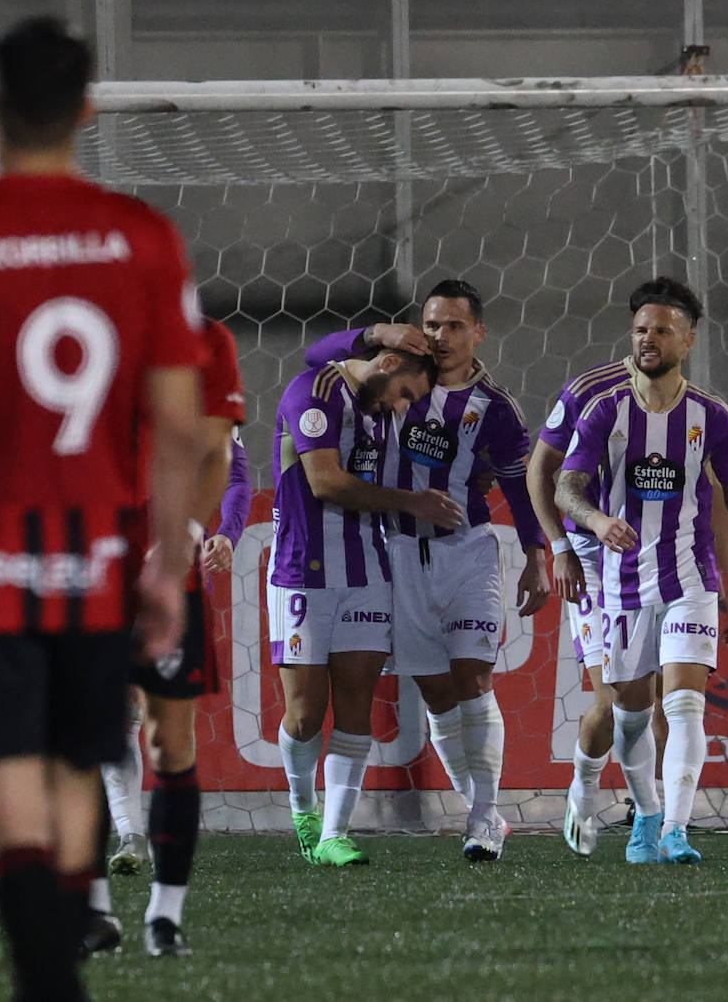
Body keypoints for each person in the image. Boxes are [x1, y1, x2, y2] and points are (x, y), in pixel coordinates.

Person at [0, 16, 203, 1002]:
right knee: (72, 771)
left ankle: (46, 978)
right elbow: (181, 434)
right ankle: (54, 972)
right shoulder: (143, 237)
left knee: (12, 797)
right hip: (98, 550)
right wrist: (169, 570)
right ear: (87, 109)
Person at [303, 280, 550, 862]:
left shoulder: (495, 407)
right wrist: (377, 333)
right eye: (432, 324)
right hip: (396, 555)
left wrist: (537, 555)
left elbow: (517, 483)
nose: (441, 336)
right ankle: (481, 805)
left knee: (472, 677)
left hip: (466, 553)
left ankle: (484, 817)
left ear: (478, 333)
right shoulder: (396, 375)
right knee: (436, 692)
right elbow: (318, 358)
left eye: (454, 326)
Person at [555, 277, 728, 864]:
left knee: (683, 706)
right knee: (628, 717)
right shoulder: (604, 410)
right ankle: (642, 816)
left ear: (688, 340)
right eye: (640, 329)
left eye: (661, 329)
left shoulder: (710, 416)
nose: (648, 339)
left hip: (690, 580)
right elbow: (565, 487)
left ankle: (675, 831)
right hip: (621, 585)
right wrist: (596, 520)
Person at [89, 318, 247, 958]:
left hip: (166, 573)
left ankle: (165, 917)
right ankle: (96, 913)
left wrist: (179, 531)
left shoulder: (207, 340)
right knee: (88, 733)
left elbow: (221, 455)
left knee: (170, 740)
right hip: (86, 566)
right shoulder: (73, 331)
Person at [271, 343, 463, 866]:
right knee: (306, 715)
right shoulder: (314, 391)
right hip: (302, 571)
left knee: (356, 704)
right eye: (404, 394)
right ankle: (302, 805)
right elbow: (326, 481)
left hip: (366, 573)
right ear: (388, 362)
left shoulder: (379, 412)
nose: (402, 407)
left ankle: (334, 833)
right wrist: (411, 503)